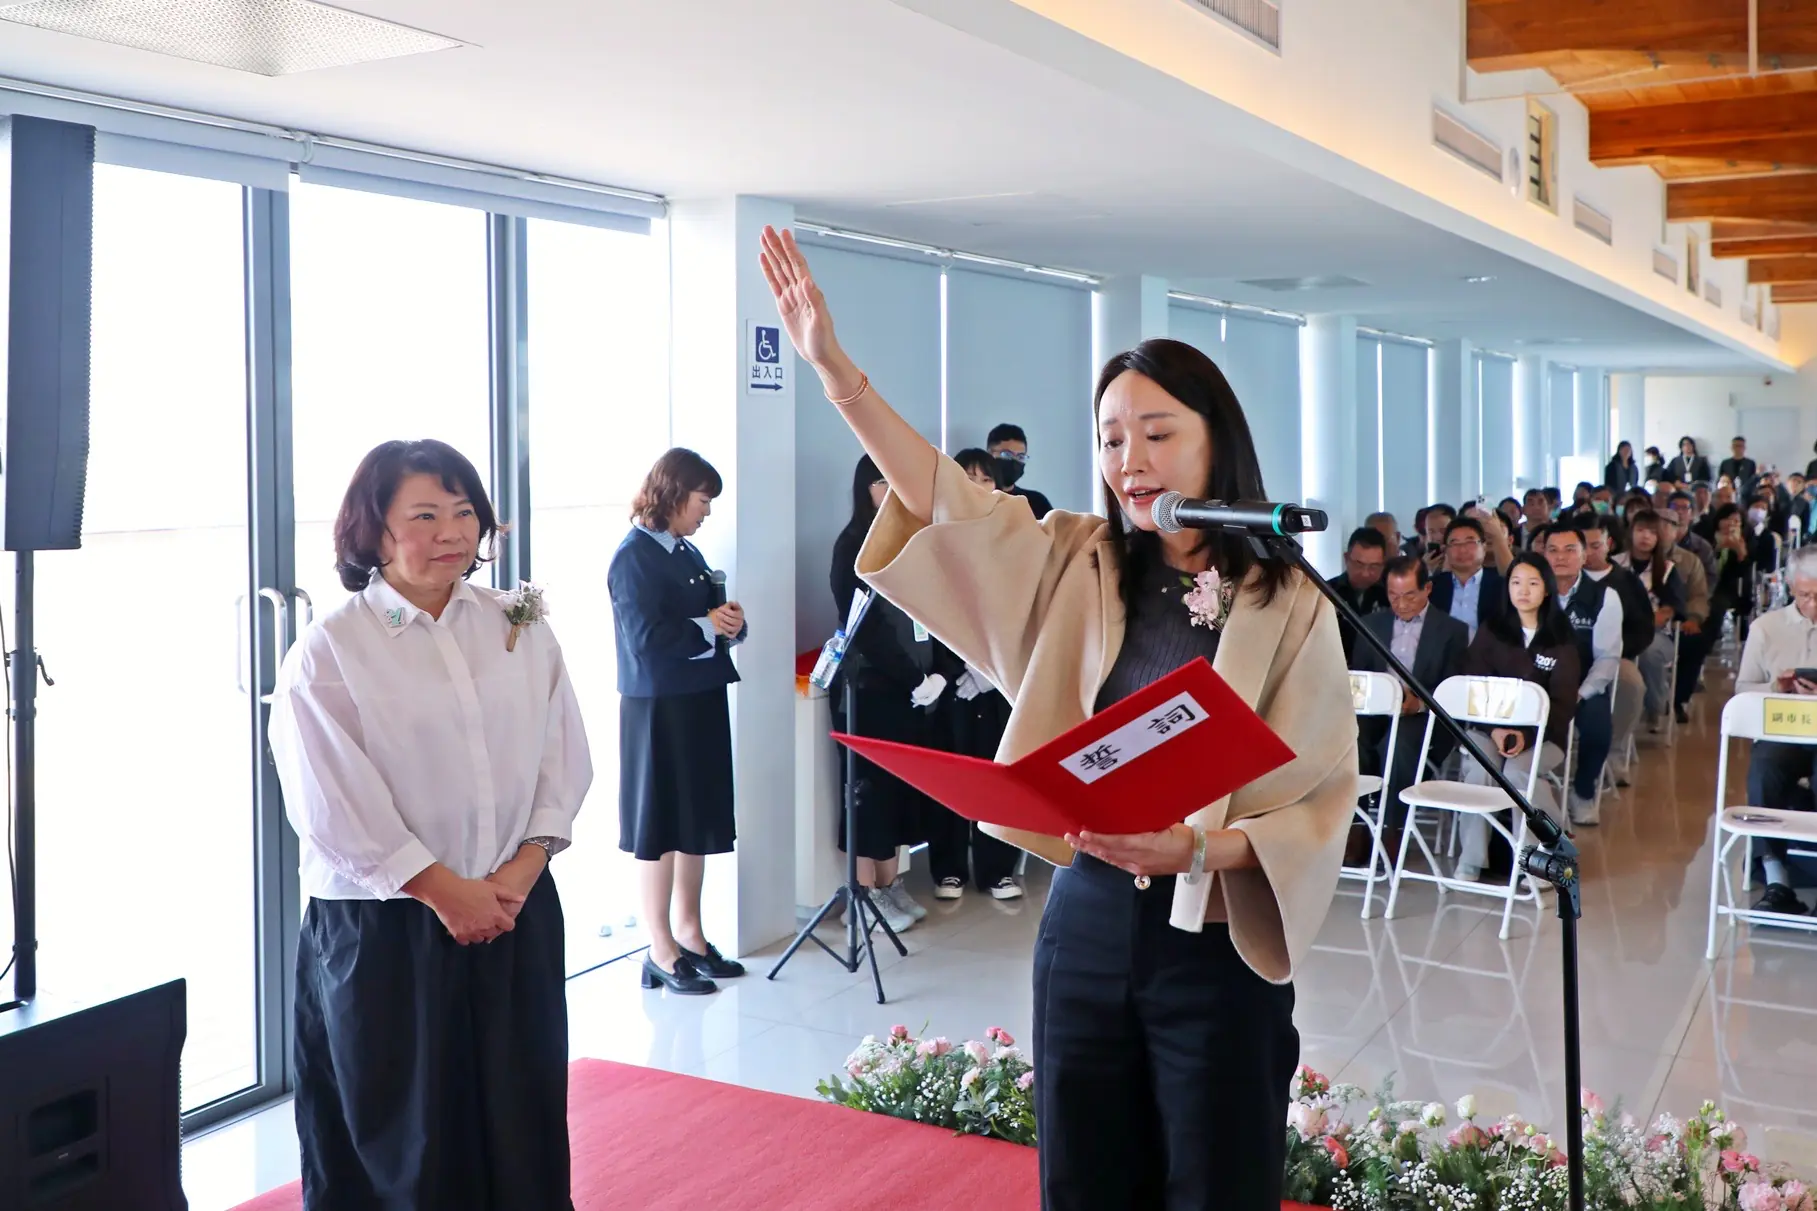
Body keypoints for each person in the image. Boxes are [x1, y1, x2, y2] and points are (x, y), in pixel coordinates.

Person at [761, 225, 1353, 1211]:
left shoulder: (1287, 600)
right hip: (1085, 919)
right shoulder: (1076, 557)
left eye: (1157, 433)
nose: (1131, 460)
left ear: (1215, 437)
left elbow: (1318, 793)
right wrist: (834, 372)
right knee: (1082, 1173)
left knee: (1216, 1178)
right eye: (1111, 438)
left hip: (1211, 931)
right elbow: (944, 502)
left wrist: (1194, 848)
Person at [270, 439, 592, 1209]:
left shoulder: (517, 624)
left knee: (520, 1115)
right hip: (390, 922)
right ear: (373, 531)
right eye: (423, 515)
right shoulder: (332, 647)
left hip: (513, 905)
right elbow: (330, 800)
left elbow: (561, 752)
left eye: (463, 510)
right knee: (408, 1137)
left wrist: (519, 872)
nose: (452, 531)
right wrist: (446, 891)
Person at [611, 448, 749, 996]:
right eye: (702, 500)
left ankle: (691, 933)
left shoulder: (686, 550)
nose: (707, 512)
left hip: (698, 697)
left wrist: (729, 624)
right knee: (660, 825)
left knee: (696, 819)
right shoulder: (633, 557)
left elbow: (706, 620)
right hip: (657, 707)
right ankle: (659, 946)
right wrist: (709, 625)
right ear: (672, 493)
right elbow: (646, 639)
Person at [831, 454, 943, 935]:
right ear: (865, 488)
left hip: (909, 691)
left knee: (899, 793)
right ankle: (863, 894)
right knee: (867, 795)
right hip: (869, 689)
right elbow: (867, 629)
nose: (891, 491)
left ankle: (891, 883)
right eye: (882, 482)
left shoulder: (909, 541)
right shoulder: (852, 545)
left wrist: (932, 674)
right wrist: (913, 678)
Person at [1452, 554, 1582, 883]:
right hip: (1488, 729)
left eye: (1533, 583)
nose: (1523, 591)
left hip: (1544, 736)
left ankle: (1542, 858)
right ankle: (1472, 859)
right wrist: (1494, 729)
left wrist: (1526, 735)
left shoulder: (1561, 638)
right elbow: (1474, 687)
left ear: (1547, 589)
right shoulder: (1492, 630)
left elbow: (1563, 704)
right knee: (1480, 769)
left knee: (1517, 774)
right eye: (1516, 582)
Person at [1348, 556, 1468, 849]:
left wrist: (1420, 704)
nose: (1401, 604)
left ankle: (1394, 828)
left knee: (1398, 742)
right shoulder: (1371, 624)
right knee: (1352, 736)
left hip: (1426, 716)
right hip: (1377, 710)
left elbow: (1453, 686)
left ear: (1427, 588)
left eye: (1409, 595)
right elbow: (1359, 677)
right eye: (1393, 595)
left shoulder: (1452, 630)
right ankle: (1357, 824)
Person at [1735, 546, 1817, 918]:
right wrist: (1776, 688)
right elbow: (1742, 689)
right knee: (1764, 769)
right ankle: (1775, 877)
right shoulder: (1766, 628)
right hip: (1783, 727)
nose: (1812, 604)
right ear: (1791, 589)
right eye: (1805, 595)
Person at [1542, 523, 1623, 828]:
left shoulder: (1604, 597)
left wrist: (1579, 693)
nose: (1560, 557)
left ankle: (1583, 791)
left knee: (1598, 728)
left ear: (1584, 555)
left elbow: (1607, 659)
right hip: (1537, 683)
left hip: (1583, 685)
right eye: (1553, 550)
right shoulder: (1532, 590)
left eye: (1569, 550)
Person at [1581, 515, 1652, 786]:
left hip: (1616, 656)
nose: (1588, 553)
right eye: (1582, 547)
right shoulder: (1564, 579)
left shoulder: (1626, 582)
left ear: (1608, 544)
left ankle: (1616, 751)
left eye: (1595, 546)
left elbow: (1643, 629)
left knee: (1631, 684)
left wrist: (1617, 650)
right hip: (1570, 657)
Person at [1612, 511, 1688, 732]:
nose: (1645, 536)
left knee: (1647, 652)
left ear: (1658, 538)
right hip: (1616, 630)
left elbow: (1670, 608)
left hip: (1655, 633)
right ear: (1631, 533)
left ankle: (1656, 707)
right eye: (1640, 530)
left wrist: (1644, 624)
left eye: (1652, 532)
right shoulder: (1615, 564)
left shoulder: (1667, 569)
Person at [1429, 515, 1505, 641]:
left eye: (1470, 542)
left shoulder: (1502, 587)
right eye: (1454, 543)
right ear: (1446, 550)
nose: (1462, 550)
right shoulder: (1432, 588)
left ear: (1484, 547)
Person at [1329, 526, 1390, 661]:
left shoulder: (1391, 595)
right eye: (1359, 564)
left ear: (1383, 564)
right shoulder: (1327, 592)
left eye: (1374, 566)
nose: (1365, 573)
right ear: (1346, 558)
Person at [987, 422, 1055, 520]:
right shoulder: (977, 500)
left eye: (1020, 456)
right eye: (1007, 454)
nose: (1014, 461)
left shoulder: (1037, 502)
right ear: (989, 455)